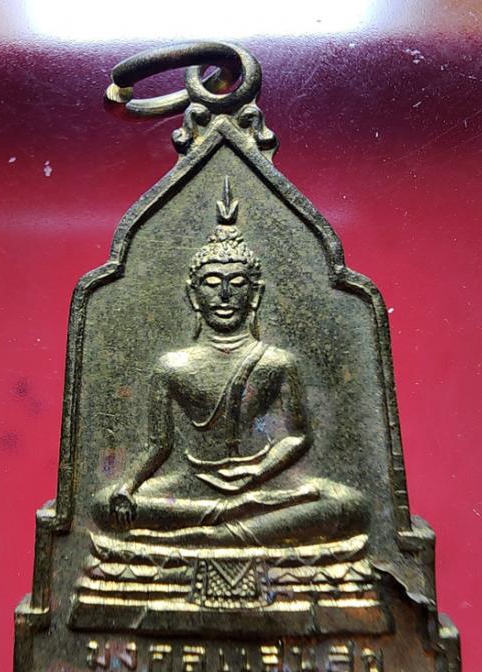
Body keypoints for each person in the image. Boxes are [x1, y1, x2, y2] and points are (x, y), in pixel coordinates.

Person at [95, 199, 367, 548]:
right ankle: (236, 521)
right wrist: (127, 486)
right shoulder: (172, 366)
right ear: (194, 294)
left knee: (350, 505)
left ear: (255, 294)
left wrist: (256, 474)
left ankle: (208, 532)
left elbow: (298, 436)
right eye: (212, 283)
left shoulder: (278, 362)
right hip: (194, 482)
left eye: (237, 283)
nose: (224, 295)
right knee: (103, 505)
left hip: (262, 481)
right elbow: (159, 445)